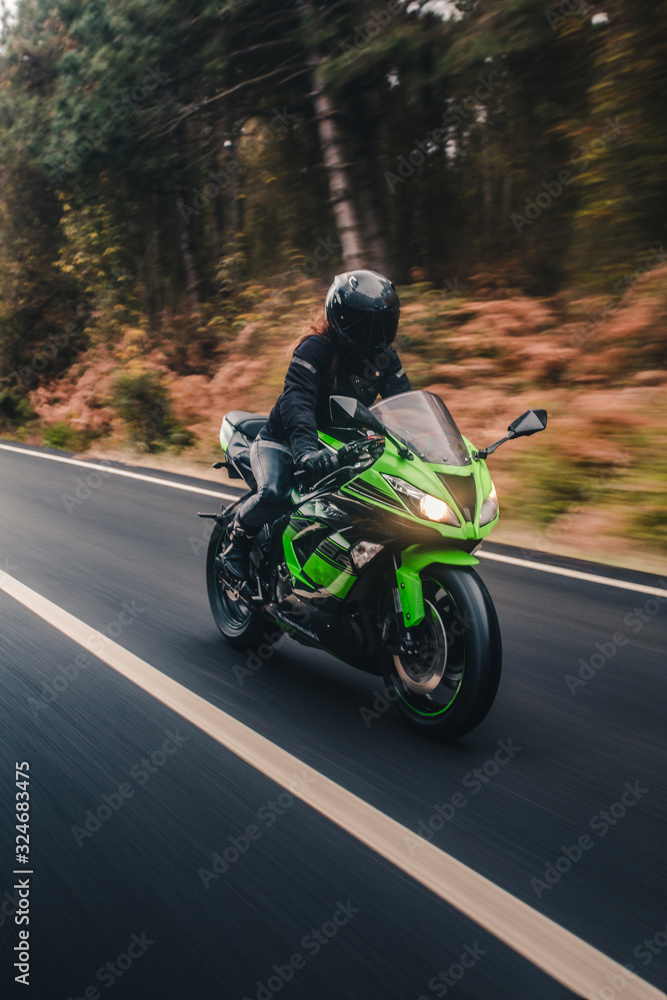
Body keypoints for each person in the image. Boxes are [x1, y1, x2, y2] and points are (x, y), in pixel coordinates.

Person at [218, 269, 411, 582]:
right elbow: (298, 401)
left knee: (375, 512)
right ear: (342, 319)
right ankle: (236, 542)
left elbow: (406, 404)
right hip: (284, 442)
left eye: (383, 323)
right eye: (365, 324)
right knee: (276, 494)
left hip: (342, 448)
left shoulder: (384, 357)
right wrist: (305, 449)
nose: (374, 333)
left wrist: (430, 445)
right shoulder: (315, 349)